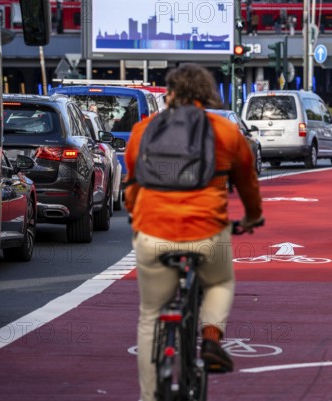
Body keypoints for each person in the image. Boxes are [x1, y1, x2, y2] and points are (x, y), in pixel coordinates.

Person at [123, 63, 264, 401]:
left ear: (170, 94)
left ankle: (149, 397)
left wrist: (135, 212)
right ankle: (212, 339)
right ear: (206, 94)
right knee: (219, 282)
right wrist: (252, 217)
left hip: (153, 232)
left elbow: (132, 182)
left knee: (151, 315)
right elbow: (247, 181)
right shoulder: (226, 131)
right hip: (207, 232)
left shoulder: (145, 130)